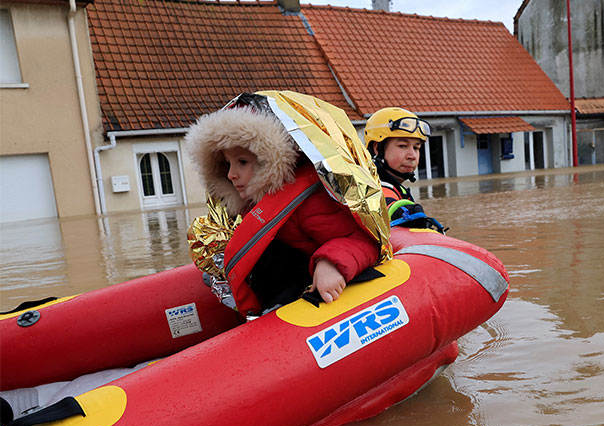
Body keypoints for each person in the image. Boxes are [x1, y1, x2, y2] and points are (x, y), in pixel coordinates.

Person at [185, 103, 380, 317]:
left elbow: (364, 240)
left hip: (311, 290)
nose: (231, 174)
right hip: (281, 289)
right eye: (227, 164)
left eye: (242, 162)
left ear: (269, 162)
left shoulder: (308, 204)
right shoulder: (253, 205)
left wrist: (330, 264)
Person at [364, 107, 446, 232]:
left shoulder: (396, 187)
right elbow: (384, 203)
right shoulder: (371, 187)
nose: (412, 155)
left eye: (416, 148)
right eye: (402, 146)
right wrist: (400, 212)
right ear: (377, 148)